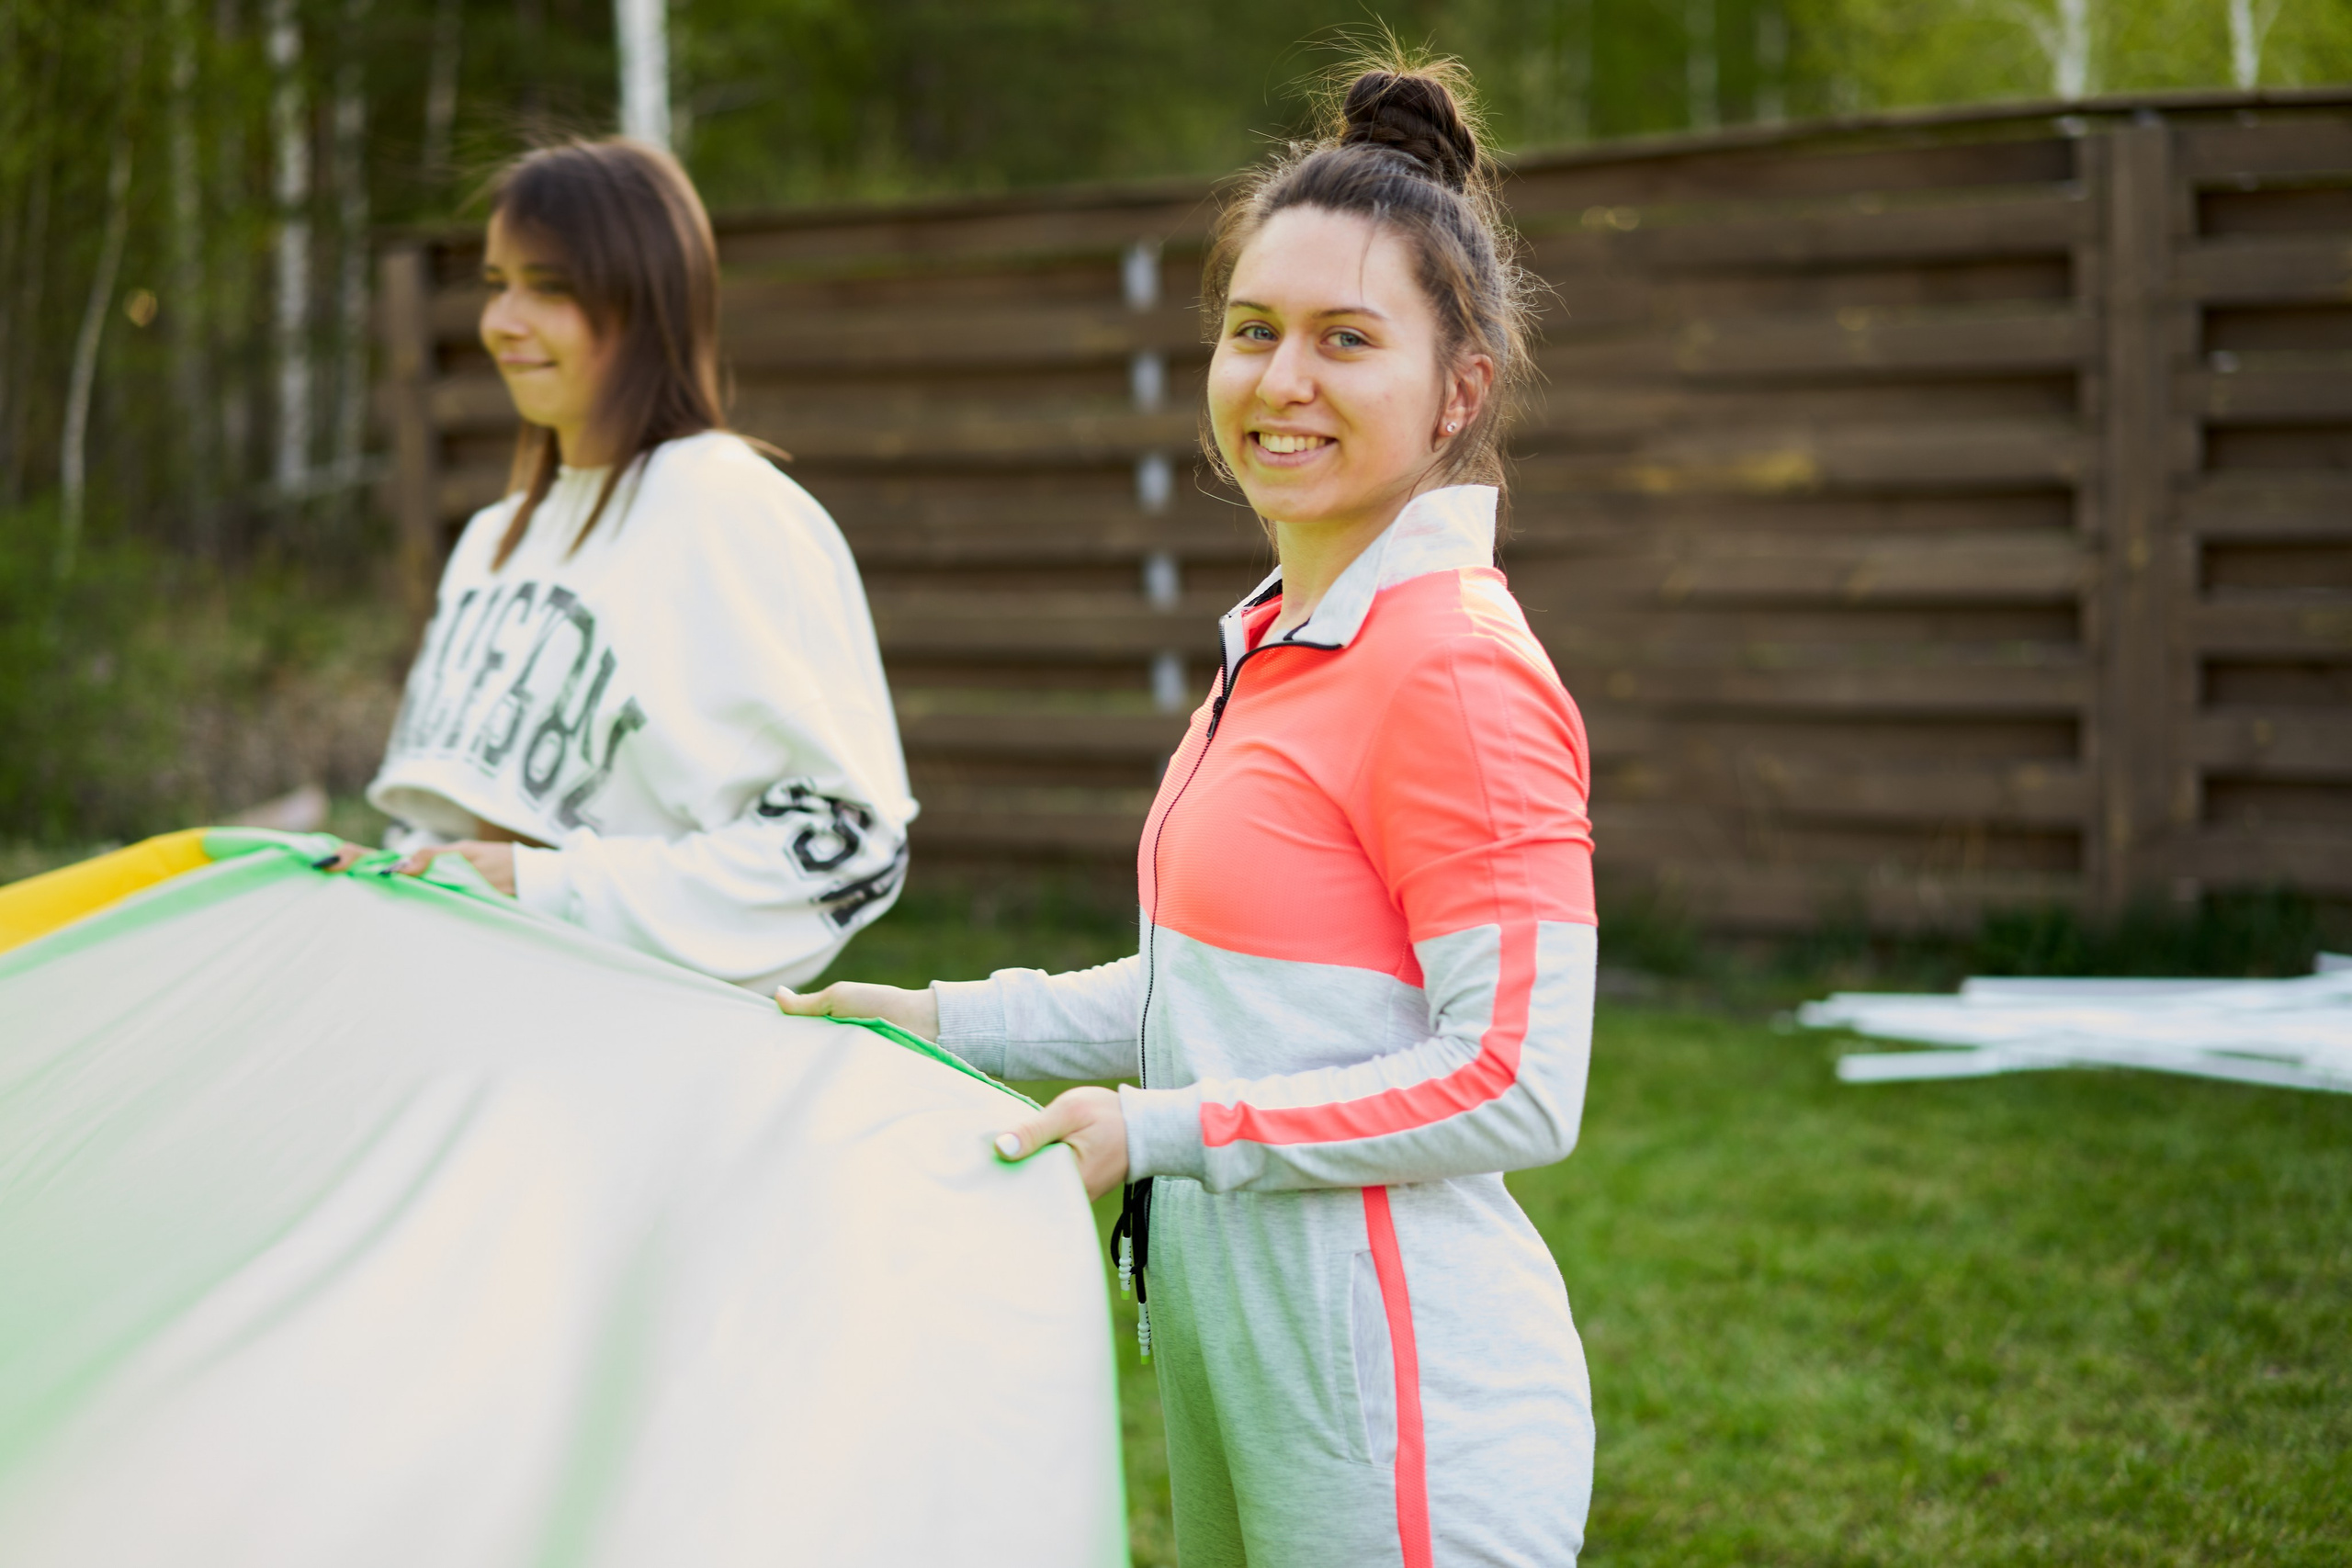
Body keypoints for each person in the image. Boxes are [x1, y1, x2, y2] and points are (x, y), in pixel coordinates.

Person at [783, 58, 1598, 1568]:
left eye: (1348, 340)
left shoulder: (1456, 671)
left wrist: (1168, 1128)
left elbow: (1518, 1080)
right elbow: (1218, 1001)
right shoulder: (1284, 643)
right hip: (1251, 1394)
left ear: (1460, 388)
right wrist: (938, 1019)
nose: (1283, 380)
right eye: (1252, 330)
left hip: (1405, 1426)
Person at [359, 139, 914, 994]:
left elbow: (849, 846)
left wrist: (552, 884)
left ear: (644, 301)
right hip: (471, 1030)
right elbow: (453, 826)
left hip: (642, 1063)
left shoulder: (728, 512)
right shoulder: (492, 539)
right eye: (496, 283)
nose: (502, 321)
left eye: (549, 287)